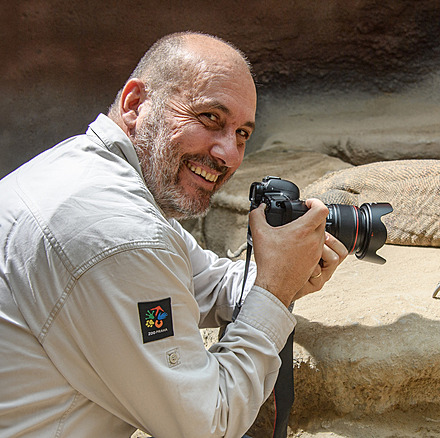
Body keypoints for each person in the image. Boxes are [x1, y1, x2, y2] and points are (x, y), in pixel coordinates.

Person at [0, 32, 347, 437]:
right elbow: (206, 423)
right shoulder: (120, 233)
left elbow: (207, 283)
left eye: (242, 134)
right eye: (210, 118)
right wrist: (273, 293)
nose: (230, 155)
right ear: (135, 104)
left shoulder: (87, 174)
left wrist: (288, 265)